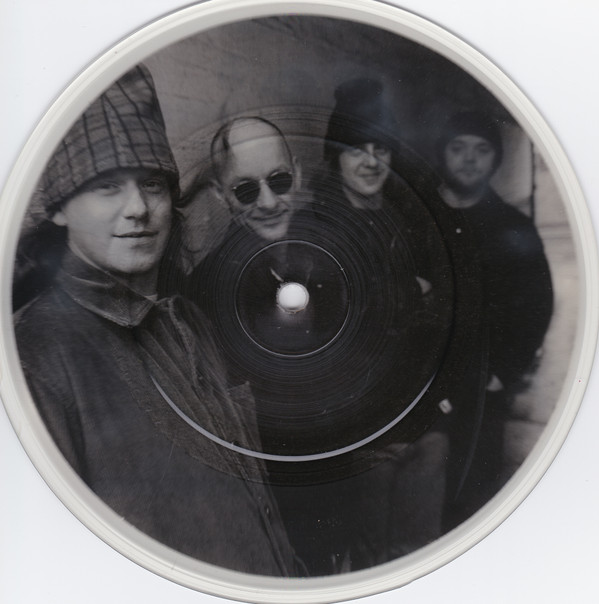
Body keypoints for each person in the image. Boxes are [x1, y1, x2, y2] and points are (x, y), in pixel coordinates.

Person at [13, 65, 300, 576]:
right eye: (106, 186)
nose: (138, 209)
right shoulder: (33, 359)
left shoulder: (188, 320)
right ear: (58, 208)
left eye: (151, 184)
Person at [435, 110, 554, 528]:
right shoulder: (421, 217)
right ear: (442, 152)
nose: (469, 159)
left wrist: (504, 371)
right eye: (458, 147)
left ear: (496, 158)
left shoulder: (513, 227)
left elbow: (537, 305)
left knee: (471, 501)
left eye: (482, 149)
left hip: (482, 391)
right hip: (423, 389)